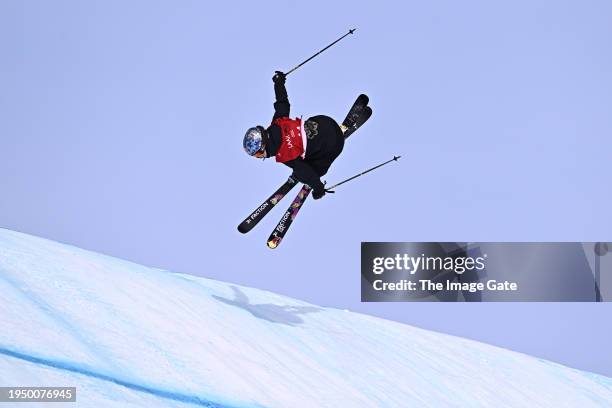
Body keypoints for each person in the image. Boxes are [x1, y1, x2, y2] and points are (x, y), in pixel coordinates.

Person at [243, 71, 345, 200]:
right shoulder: (278, 122)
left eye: (257, 155)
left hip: (335, 144)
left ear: (262, 148)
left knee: (306, 170)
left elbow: (306, 172)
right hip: (326, 121)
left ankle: (312, 166)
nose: (260, 157)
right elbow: (282, 102)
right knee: (303, 142)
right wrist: (278, 82)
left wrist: (318, 188)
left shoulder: (285, 155)